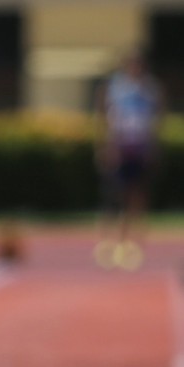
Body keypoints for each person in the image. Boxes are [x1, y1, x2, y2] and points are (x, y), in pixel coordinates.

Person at [93, 50, 164, 271]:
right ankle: (109, 241)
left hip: (140, 148)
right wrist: (106, 146)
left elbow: (156, 118)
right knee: (115, 195)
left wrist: (153, 146)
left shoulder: (150, 90)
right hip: (120, 147)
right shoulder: (115, 88)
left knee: (138, 195)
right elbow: (104, 117)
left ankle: (135, 243)